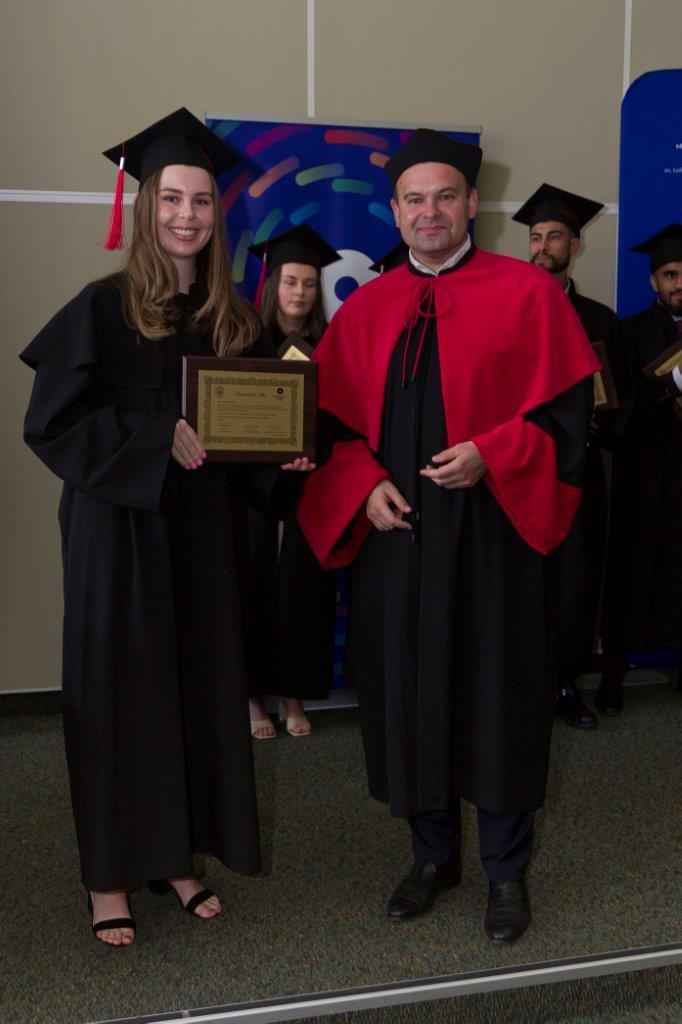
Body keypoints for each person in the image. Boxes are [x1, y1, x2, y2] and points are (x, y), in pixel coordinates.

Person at [297, 129, 599, 942]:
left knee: (498, 694)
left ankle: (504, 869)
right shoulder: (367, 309)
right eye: (414, 199)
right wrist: (362, 487)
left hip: (496, 539)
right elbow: (328, 429)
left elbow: (569, 423)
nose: (429, 212)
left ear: (472, 205)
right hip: (400, 544)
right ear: (395, 213)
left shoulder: (527, 294)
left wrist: (494, 453)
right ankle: (432, 857)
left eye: (445, 196)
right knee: (408, 690)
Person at [20, 108, 311, 946]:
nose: (187, 215)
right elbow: (51, 426)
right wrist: (154, 437)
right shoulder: (100, 308)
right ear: (145, 207)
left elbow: (246, 441)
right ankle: (108, 877)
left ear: (220, 213)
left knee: (194, 687)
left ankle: (177, 858)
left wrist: (282, 458)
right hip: (116, 534)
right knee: (117, 696)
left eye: (202, 201)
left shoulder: (232, 321)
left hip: (201, 536)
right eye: (172, 199)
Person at [513, 184, 631, 729]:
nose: (542, 247)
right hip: (519, 465)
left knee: (575, 576)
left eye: (554, 237)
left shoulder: (600, 320)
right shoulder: (507, 306)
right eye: (535, 237)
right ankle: (516, 684)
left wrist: (599, 423)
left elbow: (619, 399)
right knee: (517, 574)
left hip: (579, 469)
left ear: (575, 245)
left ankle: (564, 683)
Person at [245, 226, 341, 738]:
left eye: (308, 283)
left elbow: (341, 418)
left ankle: (294, 694)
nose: (299, 293)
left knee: (303, 593)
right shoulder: (245, 341)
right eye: (289, 282)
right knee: (252, 586)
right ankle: (253, 699)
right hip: (254, 491)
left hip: (310, 485)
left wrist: (311, 455)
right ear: (272, 285)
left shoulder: (331, 344)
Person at [598, 224, 682, 712]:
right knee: (631, 571)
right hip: (645, 473)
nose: (679, 284)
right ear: (654, 281)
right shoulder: (629, 333)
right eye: (669, 275)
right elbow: (620, 406)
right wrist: (673, 382)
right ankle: (613, 674)